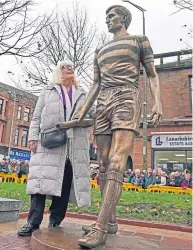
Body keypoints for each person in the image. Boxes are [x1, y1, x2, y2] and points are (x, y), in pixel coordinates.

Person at [76, 5, 162, 248]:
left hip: (126, 97)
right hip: (103, 101)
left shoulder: (139, 40)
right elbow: (95, 85)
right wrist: (81, 113)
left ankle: (100, 228)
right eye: (106, 16)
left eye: (111, 16)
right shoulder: (99, 49)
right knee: (102, 162)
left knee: (116, 161)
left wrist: (157, 104)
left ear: (123, 18)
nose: (107, 19)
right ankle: (110, 221)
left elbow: (152, 74)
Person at [18, 60, 93, 237]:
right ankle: (33, 222)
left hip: (73, 146)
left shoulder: (83, 93)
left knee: (64, 185)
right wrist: (33, 137)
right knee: (39, 184)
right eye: (64, 67)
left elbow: (93, 113)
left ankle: (55, 222)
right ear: (58, 72)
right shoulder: (48, 90)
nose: (69, 70)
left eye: (71, 68)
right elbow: (36, 116)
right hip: (49, 143)